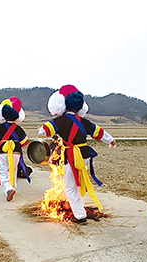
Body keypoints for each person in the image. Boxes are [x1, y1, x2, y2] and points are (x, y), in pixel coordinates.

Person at [38, 85, 116, 224]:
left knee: (70, 186)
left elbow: (46, 130)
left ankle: (79, 215)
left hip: (72, 155)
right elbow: (99, 132)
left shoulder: (60, 121)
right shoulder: (84, 122)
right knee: (78, 184)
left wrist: (41, 132)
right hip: (85, 154)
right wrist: (111, 141)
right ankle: (79, 208)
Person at [0, 97, 30, 201]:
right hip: (16, 151)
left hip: (3, 151)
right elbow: (25, 141)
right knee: (13, 169)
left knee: (3, 170)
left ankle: (8, 188)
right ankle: (13, 186)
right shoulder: (18, 128)